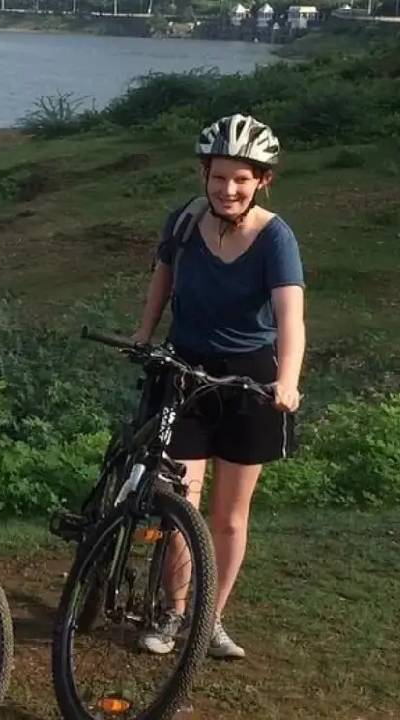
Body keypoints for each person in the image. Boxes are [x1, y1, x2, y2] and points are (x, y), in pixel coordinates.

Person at [132, 114, 305, 660]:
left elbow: (291, 316)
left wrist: (287, 381)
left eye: (241, 179)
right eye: (218, 177)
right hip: (185, 369)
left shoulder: (275, 238)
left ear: (262, 181)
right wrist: (143, 334)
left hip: (250, 379)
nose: (228, 189)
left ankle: (210, 618)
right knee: (180, 502)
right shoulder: (184, 222)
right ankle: (174, 609)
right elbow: (163, 279)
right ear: (204, 174)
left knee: (230, 515)